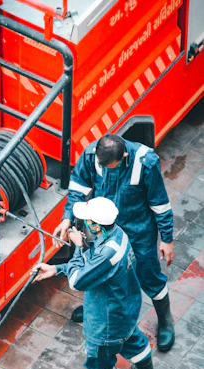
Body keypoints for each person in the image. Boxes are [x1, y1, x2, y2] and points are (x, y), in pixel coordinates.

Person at [53, 134, 175, 352]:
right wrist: (67, 218)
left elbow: (160, 204)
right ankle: (94, 309)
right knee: (98, 271)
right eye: (104, 166)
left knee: (149, 275)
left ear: (124, 156)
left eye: (112, 166)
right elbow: (78, 189)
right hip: (103, 230)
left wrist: (166, 239)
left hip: (138, 231)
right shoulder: (92, 155)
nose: (107, 170)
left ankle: (165, 319)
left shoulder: (146, 163)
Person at [33, 197, 158, 369]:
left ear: (95, 225)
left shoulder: (106, 255)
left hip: (105, 322)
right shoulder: (118, 236)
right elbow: (94, 267)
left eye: (86, 220)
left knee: (99, 360)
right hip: (126, 311)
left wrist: (79, 248)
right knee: (135, 343)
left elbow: (78, 281)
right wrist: (56, 269)